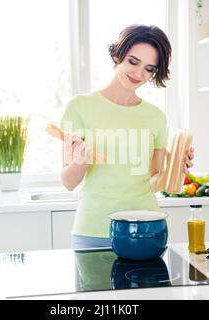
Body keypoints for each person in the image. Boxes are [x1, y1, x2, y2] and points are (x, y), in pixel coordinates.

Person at [60, 24, 194, 249]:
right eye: (133, 61)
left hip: (146, 229)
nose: (139, 74)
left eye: (149, 68)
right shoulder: (79, 107)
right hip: (94, 227)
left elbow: (155, 182)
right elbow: (68, 182)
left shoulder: (155, 117)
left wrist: (177, 166)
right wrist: (80, 162)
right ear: (117, 55)